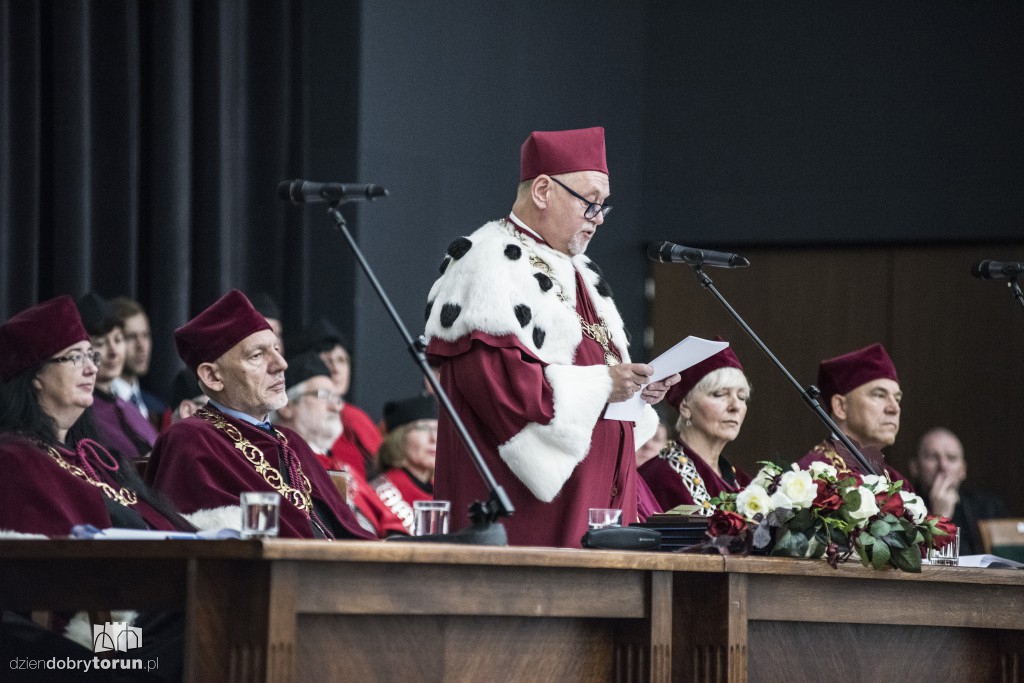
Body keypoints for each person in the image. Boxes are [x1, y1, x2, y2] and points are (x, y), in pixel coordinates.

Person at [424, 126, 678, 547]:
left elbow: (600, 378)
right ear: (542, 190)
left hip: (597, 497)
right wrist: (604, 384)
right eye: (590, 204)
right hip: (529, 512)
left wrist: (637, 390)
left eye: (603, 208)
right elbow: (499, 387)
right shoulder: (487, 263)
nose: (597, 221)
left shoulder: (581, 273)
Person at [144, 289, 374, 540]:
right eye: (257, 355)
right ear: (212, 376)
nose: (281, 364)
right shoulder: (191, 440)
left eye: (277, 349)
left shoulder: (291, 441)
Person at [273, 350, 406, 538]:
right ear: (287, 406)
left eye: (337, 399)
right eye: (324, 395)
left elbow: (391, 524)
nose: (335, 406)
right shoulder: (278, 461)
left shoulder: (342, 467)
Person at [639, 344, 752, 515]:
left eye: (742, 397)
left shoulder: (745, 483)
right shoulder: (659, 478)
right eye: (720, 394)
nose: (736, 406)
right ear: (685, 406)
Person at [798, 343, 912, 487]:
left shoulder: (900, 484)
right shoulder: (810, 477)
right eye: (879, 395)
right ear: (841, 407)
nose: (895, 408)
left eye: (897, 399)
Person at [287, 318, 383, 479]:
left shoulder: (358, 418)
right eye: (326, 360)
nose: (336, 369)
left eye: (342, 360)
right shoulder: (305, 424)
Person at [76, 292, 158, 462]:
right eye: (100, 343)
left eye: (118, 339)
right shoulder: (79, 413)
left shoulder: (126, 406)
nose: (113, 352)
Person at [909, 427, 1008, 555]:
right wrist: (940, 517)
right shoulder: (905, 506)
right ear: (915, 467)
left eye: (951, 458)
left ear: (963, 470)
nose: (943, 465)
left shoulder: (988, 506)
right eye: (933, 457)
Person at [370, 396, 439, 534]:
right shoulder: (380, 492)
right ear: (399, 438)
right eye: (423, 428)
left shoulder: (442, 490)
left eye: (438, 429)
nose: (434, 438)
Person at [110, 296, 168, 426]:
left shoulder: (159, 408)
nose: (141, 346)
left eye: (146, 335)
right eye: (131, 337)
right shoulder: (96, 407)